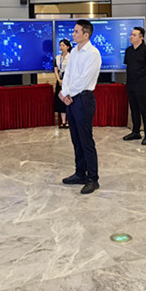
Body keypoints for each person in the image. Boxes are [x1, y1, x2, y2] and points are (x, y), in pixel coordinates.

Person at [59, 20, 102, 194]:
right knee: (76, 139)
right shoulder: (74, 52)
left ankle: (93, 179)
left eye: (76, 31)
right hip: (71, 99)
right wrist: (64, 93)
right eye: (74, 31)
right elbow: (68, 74)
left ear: (86, 34)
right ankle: (80, 173)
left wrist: (67, 93)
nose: (73, 34)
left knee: (86, 140)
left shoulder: (93, 54)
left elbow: (84, 79)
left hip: (83, 99)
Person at [123, 26, 146, 145]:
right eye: (131, 34)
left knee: (144, 109)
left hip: (142, 85)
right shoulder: (128, 50)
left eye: (134, 35)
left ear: (141, 37)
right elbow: (128, 66)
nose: (131, 37)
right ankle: (135, 131)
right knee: (134, 108)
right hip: (131, 84)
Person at [53, 38, 72, 128]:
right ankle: (63, 121)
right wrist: (59, 80)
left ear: (68, 47)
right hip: (59, 81)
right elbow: (56, 69)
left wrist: (65, 81)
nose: (61, 47)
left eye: (63, 45)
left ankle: (68, 121)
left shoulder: (71, 57)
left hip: (68, 81)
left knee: (67, 100)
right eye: (60, 45)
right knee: (60, 100)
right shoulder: (57, 58)